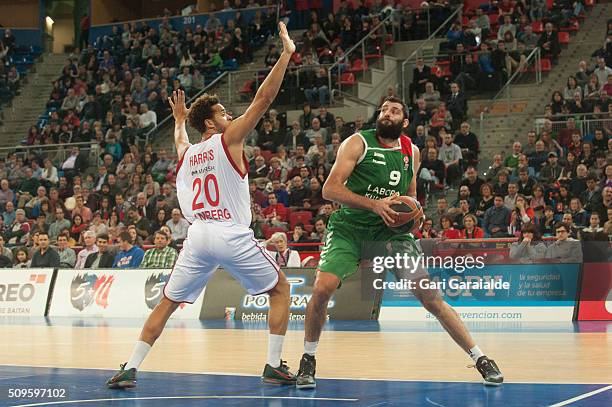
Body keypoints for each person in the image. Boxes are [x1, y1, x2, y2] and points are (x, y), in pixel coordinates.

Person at [106, 23, 297, 389]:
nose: (230, 115)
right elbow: (263, 100)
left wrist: (179, 120)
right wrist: (286, 54)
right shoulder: (229, 139)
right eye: (224, 112)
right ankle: (273, 365)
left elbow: (180, 140)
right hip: (228, 232)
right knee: (281, 290)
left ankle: (130, 367)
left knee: (166, 302)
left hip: (197, 238)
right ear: (211, 123)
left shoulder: (188, 153)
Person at [295, 96, 503, 389]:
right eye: (383, 110)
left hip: (392, 233)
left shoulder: (411, 151)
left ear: (404, 122)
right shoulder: (357, 143)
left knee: (430, 297)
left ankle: (481, 358)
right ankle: (308, 358)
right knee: (321, 289)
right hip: (350, 228)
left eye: (394, 111)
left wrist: (415, 219)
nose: (387, 114)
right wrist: (374, 205)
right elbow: (330, 189)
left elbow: (412, 196)